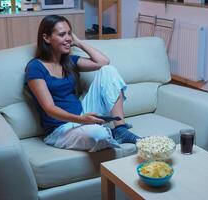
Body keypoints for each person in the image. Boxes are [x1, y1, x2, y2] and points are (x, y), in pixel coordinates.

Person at [25, 15, 140, 152]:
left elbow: (103, 62)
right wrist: (81, 120)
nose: (68, 38)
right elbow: (49, 108)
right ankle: (105, 132)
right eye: (62, 34)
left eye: (69, 33)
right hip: (60, 129)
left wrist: (78, 42)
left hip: (83, 114)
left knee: (108, 70)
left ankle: (120, 129)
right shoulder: (35, 67)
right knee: (99, 135)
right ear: (46, 38)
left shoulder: (69, 61)